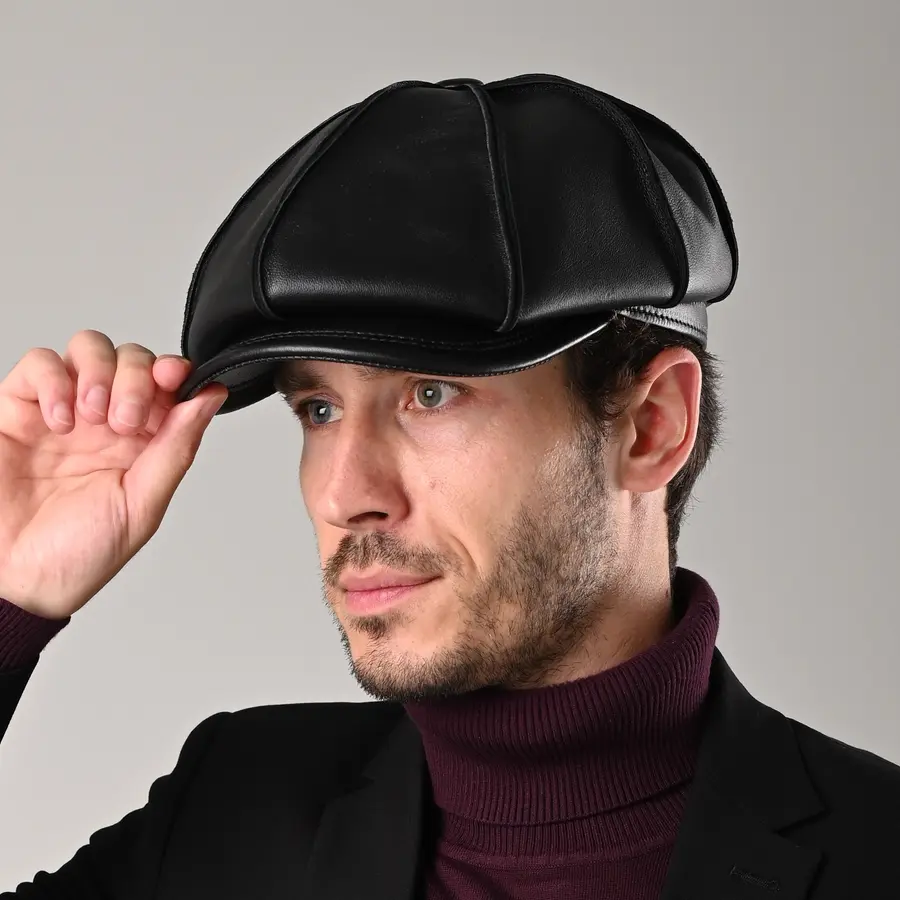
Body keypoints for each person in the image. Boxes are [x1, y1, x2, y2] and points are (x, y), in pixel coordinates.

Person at [1, 73, 898, 900]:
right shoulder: (232, 808)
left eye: (430, 394)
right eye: (318, 408)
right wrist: (10, 597)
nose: (345, 494)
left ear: (651, 425)